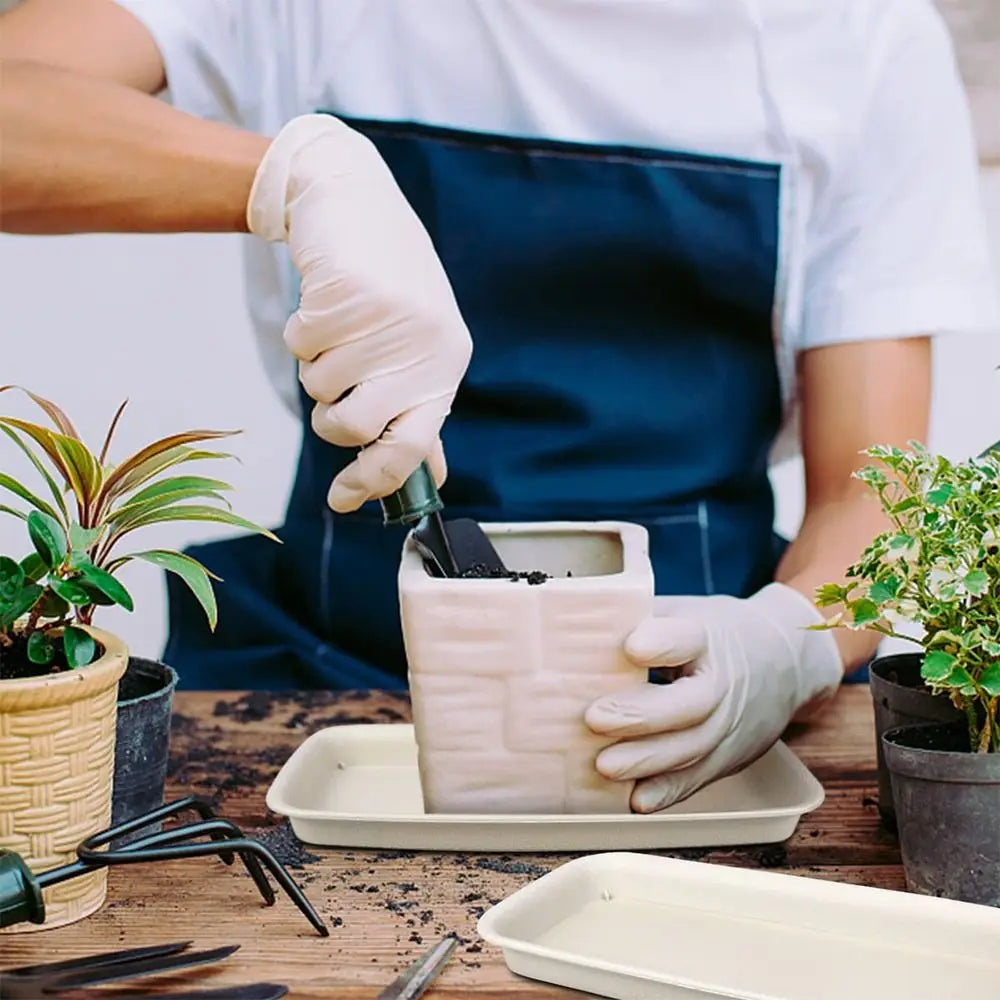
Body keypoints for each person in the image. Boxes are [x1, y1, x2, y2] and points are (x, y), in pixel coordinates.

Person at [2, 0, 997, 811]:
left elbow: (876, 495)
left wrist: (785, 643)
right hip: (322, 674)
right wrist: (290, 175)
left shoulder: (859, 41)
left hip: (681, 693)